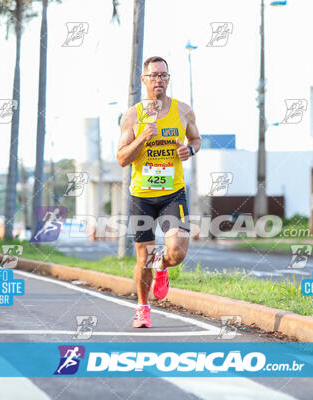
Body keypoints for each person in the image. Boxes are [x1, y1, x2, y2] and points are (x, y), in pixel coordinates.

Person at [116, 56, 202, 328]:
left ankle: (162, 266)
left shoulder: (183, 111)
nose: (159, 81)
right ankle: (143, 307)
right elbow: (121, 158)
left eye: (164, 76)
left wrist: (190, 150)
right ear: (144, 80)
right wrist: (142, 137)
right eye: (153, 76)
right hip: (142, 195)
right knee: (143, 256)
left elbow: (196, 139)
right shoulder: (132, 115)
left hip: (173, 193)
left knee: (176, 251)